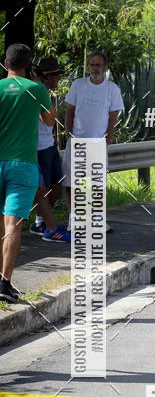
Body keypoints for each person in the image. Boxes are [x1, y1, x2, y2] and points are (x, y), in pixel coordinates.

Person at [0, 43, 55, 302]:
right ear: (30, 65)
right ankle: (4, 284)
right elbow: (49, 120)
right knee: (13, 225)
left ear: (5, 64)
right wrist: (36, 84)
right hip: (23, 165)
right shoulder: (36, 89)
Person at [63, 50, 123, 233]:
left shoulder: (112, 89)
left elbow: (114, 116)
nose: (94, 68)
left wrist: (108, 138)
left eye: (98, 65)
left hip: (98, 142)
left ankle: (98, 218)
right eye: (92, 65)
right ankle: (74, 219)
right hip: (77, 141)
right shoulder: (78, 85)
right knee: (72, 182)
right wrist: (68, 135)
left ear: (105, 68)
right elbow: (70, 111)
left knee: (97, 182)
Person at [30, 57, 70, 242]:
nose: (57, 80)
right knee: (42, 187)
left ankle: (44, 220)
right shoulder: (35, 92)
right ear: (46, 77)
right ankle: (40, 222)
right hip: (38, 147)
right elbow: (49, 119)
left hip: (50, 144)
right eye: (54, 76)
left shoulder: (45, 92)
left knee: (58, 181)